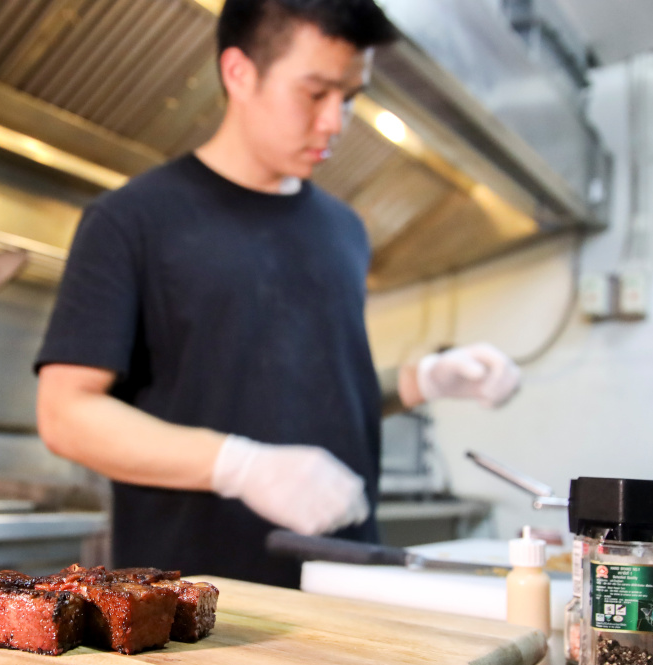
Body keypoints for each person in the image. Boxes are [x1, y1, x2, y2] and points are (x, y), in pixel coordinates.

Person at [34, 0, 521, 588]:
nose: (334, 122)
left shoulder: (344, 230)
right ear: (239, 72)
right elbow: (66, 414)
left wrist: (427, 379)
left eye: (349, 96)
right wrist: (238, 466)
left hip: (348, 584)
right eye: (314, 93)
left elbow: (318, 391)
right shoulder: (132, 220)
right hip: (199, 602)